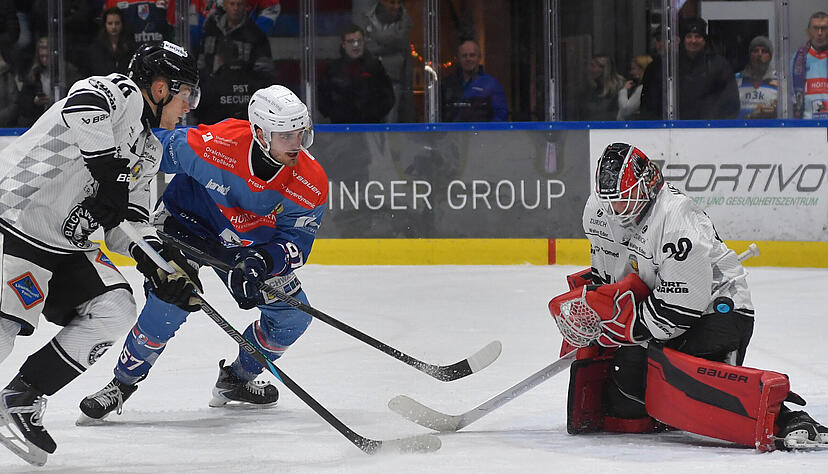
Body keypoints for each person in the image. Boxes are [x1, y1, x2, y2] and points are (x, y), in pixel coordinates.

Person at [548, 142, 828, 451]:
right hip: (658, 306)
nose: (618, 210)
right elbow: (610, 275)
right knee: (625, 404)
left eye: (626, 198)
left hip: (718, 310)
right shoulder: (599, 212)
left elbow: (679, 310)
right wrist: (594, 313)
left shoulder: (677, 218)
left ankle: (785, 418)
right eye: (612, 201)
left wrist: (624, 328)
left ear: (647, 186)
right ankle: (666, 403)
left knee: (673, 378)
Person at [0, 40, 200, 466]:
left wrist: (161, 265)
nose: (188, 107)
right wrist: (109, 173)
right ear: (161, 87)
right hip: (15, 217)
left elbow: (128, 224)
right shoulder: (120, 92)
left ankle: (23, 395)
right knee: (3, 326)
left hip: (65, 243)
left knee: (115, 308)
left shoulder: (151, 150)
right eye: (186, 95)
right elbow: (82, 105)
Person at [77, 85, 328, 422]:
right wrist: (105, 181)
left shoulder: (311, 180)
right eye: (286, 136)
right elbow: (148, 152)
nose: (297, 144)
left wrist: (262, 261)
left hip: (248, 247)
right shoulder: (216, 144)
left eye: (301, 133)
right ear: (259, 132)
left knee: (293, 317)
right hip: (186, 226)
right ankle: (121, 384)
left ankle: (236, 380)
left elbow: (297, 240)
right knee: (170, 300)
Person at [318, 23, 394, 123]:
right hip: (340, 127)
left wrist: (373, 114)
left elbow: (387, 97)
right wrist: (336, 114)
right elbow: (323, 98)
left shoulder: (375, 67)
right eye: (351, 41)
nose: (356, 45)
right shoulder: (332, 69)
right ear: (343, 44)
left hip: (370, 126)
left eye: (359, 41)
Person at [354, 0, 414, 123]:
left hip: (394, 81)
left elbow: (401, 41)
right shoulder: (365, 16)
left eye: (399, 3)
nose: (396, 6)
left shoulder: (406, 20)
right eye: (392, 2)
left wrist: (374, 36)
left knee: (390, 121)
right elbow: (364, 47)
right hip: (367, 79)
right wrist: (391, 46)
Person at [676, 17, 739, 119]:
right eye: (689, 36)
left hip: (711, 128)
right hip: (680, 128)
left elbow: (731, 101)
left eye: (698, 36)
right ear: (683, 40)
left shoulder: (719, 65)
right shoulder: (675, 66)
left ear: (704, 40)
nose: (693, 41)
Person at [198, 0, 274, 80]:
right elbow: (201, 64)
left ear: (246, 7)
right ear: (225, 6)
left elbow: (265, 72)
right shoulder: (211, 31)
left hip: (244, 89)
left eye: (240, 4)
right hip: (211, 88)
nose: (236, 8)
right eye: (232, 4)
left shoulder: (257, 35)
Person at [16, 36, 82, 127]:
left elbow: (77, 96)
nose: (45, 60)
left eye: (48, 56)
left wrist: (54, 100)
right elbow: (23, 104)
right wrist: (34, 102)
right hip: (39, 119)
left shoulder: (68, 72)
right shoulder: (33, 73)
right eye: (42, 56)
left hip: (64, 119)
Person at [196, 41, 266, 124]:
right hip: (249, 129)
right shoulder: (254, 79)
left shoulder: (213, 82)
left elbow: (201, 112)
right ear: (237, 56)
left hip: (219, 132)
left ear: (219, 58)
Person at [441, 39, 508, 122]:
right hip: (452, 134)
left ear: (479, 57)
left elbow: (500, 116)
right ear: (458, 59)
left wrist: (487, 133)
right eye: (464, 55)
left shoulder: (491, 85)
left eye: (472, 55)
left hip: (482, 134)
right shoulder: (447, 84)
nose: (468, 59)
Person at [792, 11, 828, 119]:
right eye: (816, 28)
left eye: (824, 28)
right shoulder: (796, 59)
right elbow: (789, 97)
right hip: (806, 127)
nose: (820, 33)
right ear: (808, 32)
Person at [84, 7, 137, 77]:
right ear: (104, 25)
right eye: (110, 23)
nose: (113, 27)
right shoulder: (95, 49)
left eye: (117, 23)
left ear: (122, 24)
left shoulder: (130, 47)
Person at [735, 35, 777, 119]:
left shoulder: (779, 81)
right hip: (740, 130)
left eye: (764, 51)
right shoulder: (736, 79)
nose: (759, 54)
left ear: (770, 56)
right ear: (750, 55)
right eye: (755, 50)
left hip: (769, 130)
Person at [572, 54, 624, 121]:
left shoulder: (618, 89)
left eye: (593, 66)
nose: (589, 69)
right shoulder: (589, 90)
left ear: (604, 69)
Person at [617, 55, 651, 120]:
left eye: (633, 69)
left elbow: (626, 110)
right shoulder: (636, 87)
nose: (631, 72)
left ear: (643, 69)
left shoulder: (642, 88)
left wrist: (624, 90)